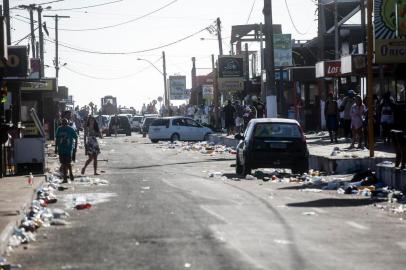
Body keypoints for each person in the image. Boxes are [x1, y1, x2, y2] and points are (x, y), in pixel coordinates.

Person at [55, 118, 78, 183]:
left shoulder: (70, 129)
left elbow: (76, 138)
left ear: (67, 123)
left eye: (65, 123)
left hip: (68, 149)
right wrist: (56, 148)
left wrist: (75, 148)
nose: (64, 125)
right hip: (61, 149)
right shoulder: (59, 129)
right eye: (63, 123)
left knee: (67, 163)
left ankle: (68, 175)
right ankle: (67, 176)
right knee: (64, 164)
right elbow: (57, 139)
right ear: (61, 123)